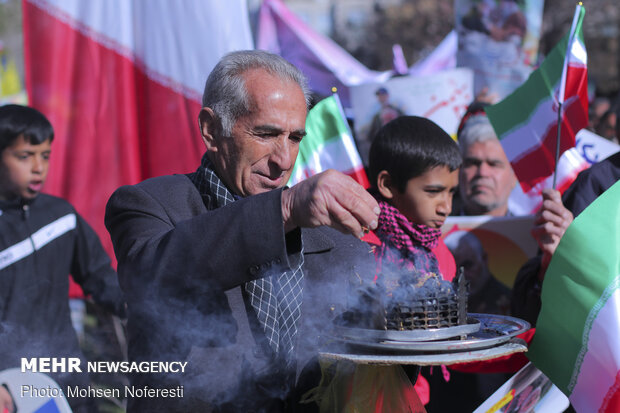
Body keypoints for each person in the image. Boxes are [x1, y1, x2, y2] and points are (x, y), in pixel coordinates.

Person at [104, 50, 380, 413]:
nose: (284, 159)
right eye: (266, 134)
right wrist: (282, 210)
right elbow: (150, 277)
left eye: (296, 137)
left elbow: (374, 352)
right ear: (211, 129)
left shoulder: (330, 230)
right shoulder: (149, 204)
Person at [0, 104, 125, 413]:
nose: (38, 167)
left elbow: (100, 276)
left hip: (67, 371)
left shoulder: (61, 216)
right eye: (24, 156)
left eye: (45, 155)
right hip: (11, 384)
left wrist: (143, 305)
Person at [454, 104, 518, 217]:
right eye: (472, 163)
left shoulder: (530, 233)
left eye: (494, 164)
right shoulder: (434, 233)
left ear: (515, 176)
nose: (482, 173)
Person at [444, 230, 510, 315]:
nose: (460, 276)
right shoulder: (446, 300)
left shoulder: (506, 301)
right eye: (453, 268)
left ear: (484, 259)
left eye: (467, 265)